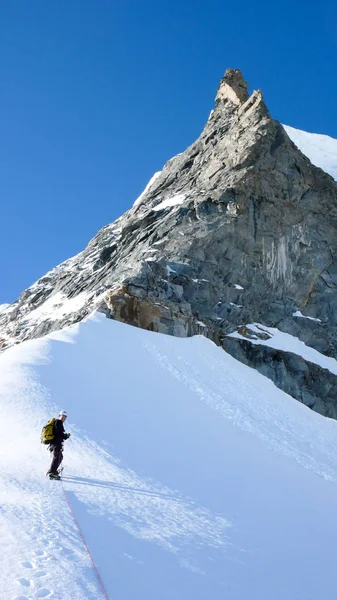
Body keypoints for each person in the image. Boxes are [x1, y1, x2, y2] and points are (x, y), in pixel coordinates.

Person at [46, 410, 71, 480]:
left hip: (55, 443)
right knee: (57, 457)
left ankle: (53, 471)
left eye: (65, 416)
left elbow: (58, 433)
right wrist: (65, 436)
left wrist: (64, 436)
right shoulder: (58, 422)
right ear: (59, 416)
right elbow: (58, 433)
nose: (63, 417)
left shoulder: (58, 422)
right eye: (62, 416)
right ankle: (52, 473)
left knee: (59, 457)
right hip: (56, 443)